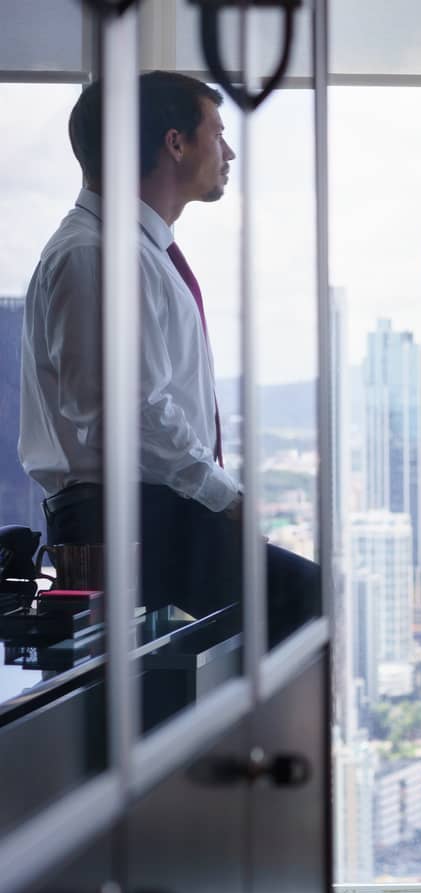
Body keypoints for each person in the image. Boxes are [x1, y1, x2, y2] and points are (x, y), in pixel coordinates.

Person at [18, 72, 318, 646]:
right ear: (175, 142)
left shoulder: (131, 251)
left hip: (146, 512)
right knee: (304, 598)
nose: (228, 153)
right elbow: (124, 410)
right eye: (218, 134)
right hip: (126, 519)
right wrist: (221, 493)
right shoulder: (96, 254)